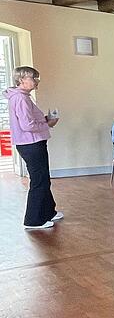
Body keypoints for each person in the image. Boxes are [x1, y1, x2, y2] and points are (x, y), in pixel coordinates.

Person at [4, 66, 62, 229]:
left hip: (33, 142)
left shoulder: (23, 97)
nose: (37, 81)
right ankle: (33, 220)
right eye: (33, 78)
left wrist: (45, 119)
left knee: (44, 178)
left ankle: (49, 211)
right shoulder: (21, 98)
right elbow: (27, 125)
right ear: (21, 80)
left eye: (37, 78)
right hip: (30, 143)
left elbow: (29, 120)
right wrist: (47, 123)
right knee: (39, 180)